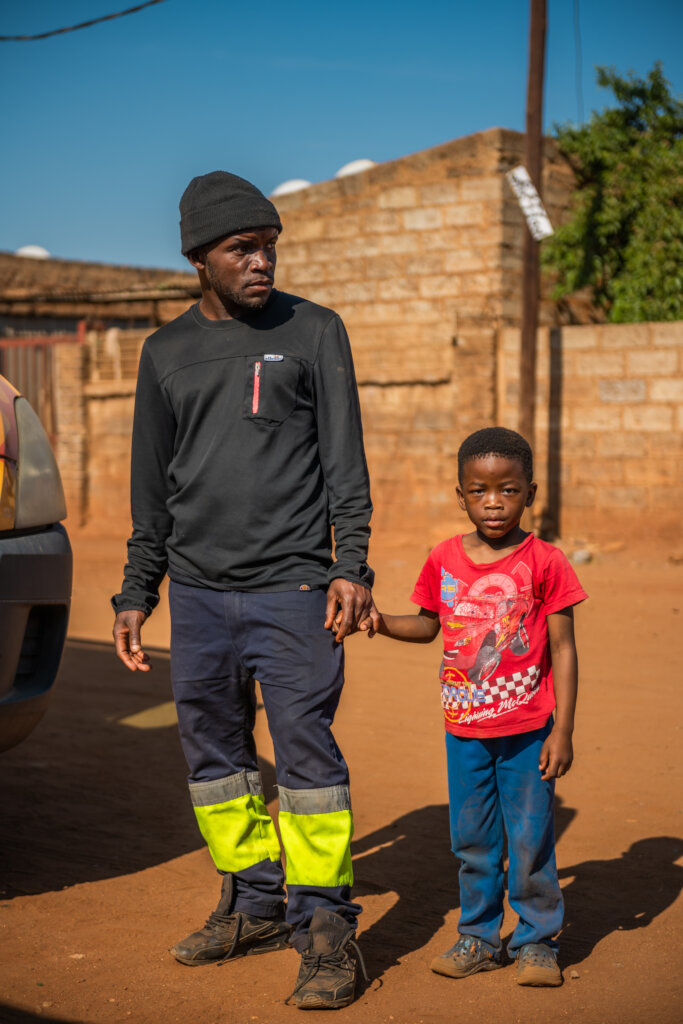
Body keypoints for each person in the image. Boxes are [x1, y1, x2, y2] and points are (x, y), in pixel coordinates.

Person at [111, 170, 373, 1010]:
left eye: (269, 247)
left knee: (308, 768)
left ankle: (326, 929)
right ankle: (253, 902)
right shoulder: (165, 353)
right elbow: (151, 490)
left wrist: (350, 565)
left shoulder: (314, 331)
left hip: (293, 589)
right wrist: (136, 592)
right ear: (199, 258)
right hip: (196, 594)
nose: (262, 262)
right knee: (216, 763)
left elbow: (345, 465)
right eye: (242, 249)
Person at [364, 427, 587, 986]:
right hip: (463, 731)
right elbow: (428, 627)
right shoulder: (443, 558)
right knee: (473, 841)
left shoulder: (546, 561)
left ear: (530, 493)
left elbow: (563, 648)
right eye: (479, 490)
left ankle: (537, 941)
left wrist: (562, 730)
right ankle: (480, 938)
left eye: (508, 490)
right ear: (459, 495)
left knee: (531, 838)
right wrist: (380, 621)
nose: (494, 503)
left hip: (528, 731)